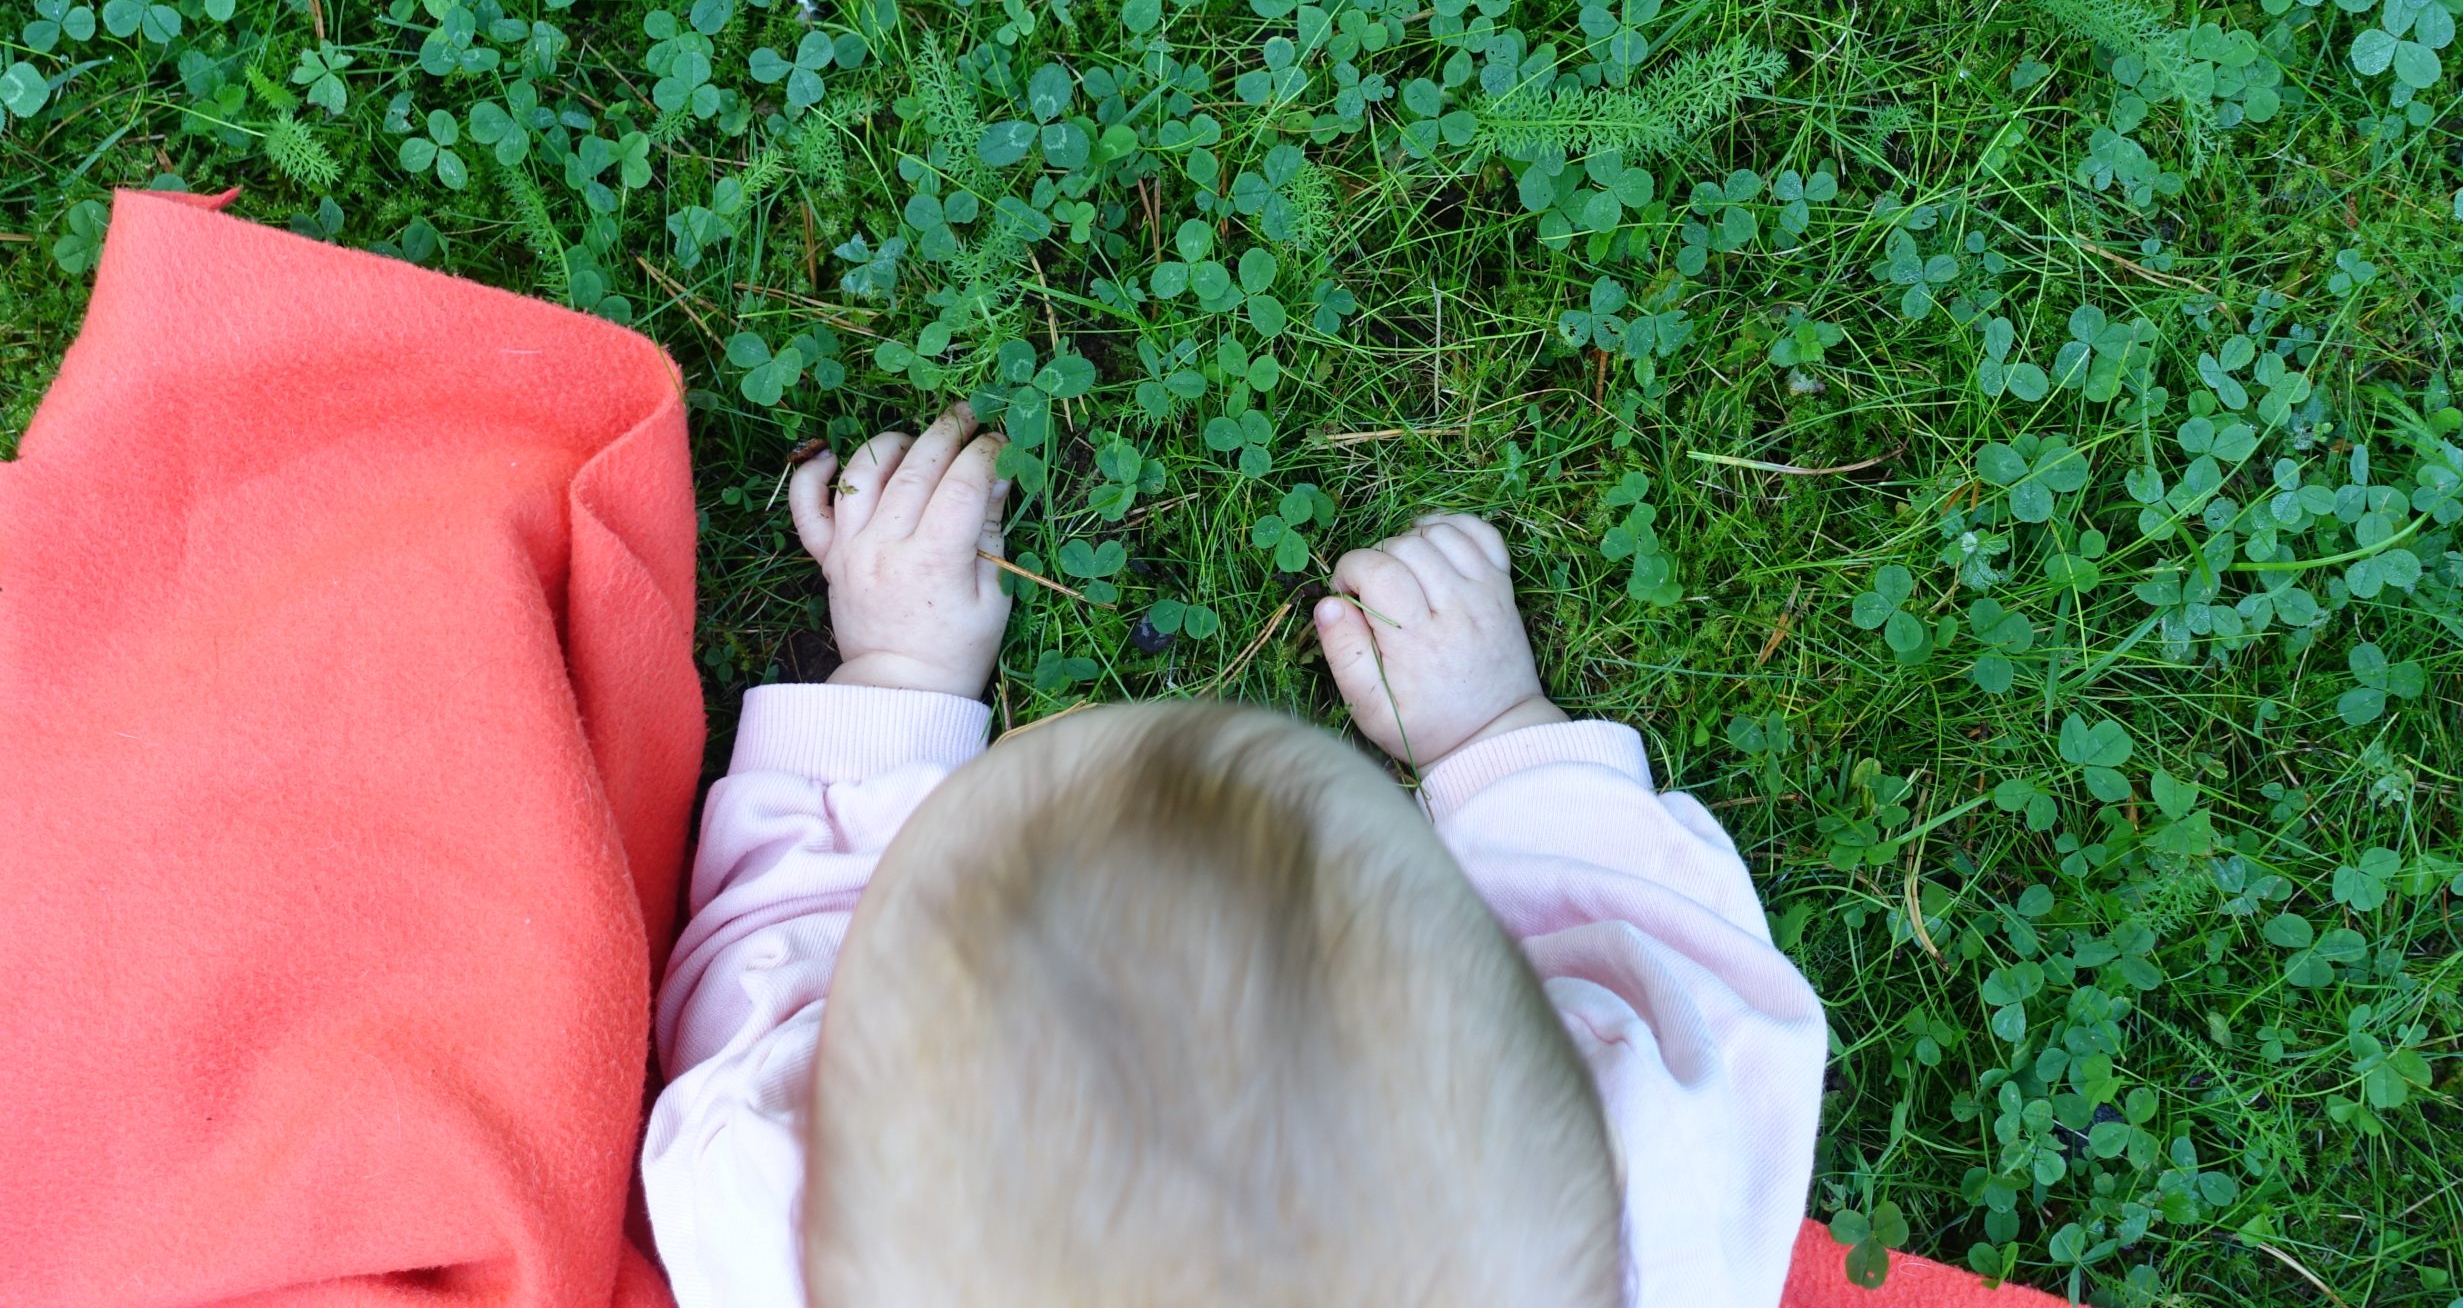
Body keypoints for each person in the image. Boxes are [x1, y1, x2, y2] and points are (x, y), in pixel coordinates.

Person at [641, 402, 1828, 1308]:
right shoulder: (1665, 1201)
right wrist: (1497, 739)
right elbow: (1686, 969)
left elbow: (765, 980)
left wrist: (894, 677)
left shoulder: (760, 1222)